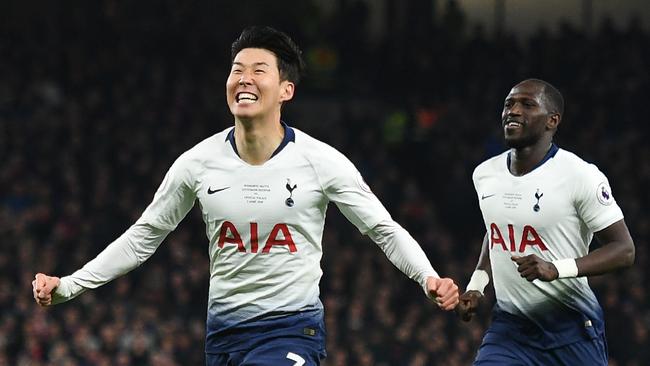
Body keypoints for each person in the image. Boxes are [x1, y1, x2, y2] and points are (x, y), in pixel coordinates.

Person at [32, 26, 459, 365]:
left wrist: (427, 276)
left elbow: (383, 229)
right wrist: (69, 286)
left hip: (292, 330)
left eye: (259, 70)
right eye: (237, 69)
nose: (244, 79)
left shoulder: (321, 161)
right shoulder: (197, 163)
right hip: (223, 335)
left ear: (286, 89)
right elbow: (144, 236)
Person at [456, 78, 635, 365]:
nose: (513, 111)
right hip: (510, 330)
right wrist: (477, 284)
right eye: (509, 104)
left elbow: (624, 250)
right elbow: (496, 231)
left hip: (572, 329)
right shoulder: (484, 174)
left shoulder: (580, 175)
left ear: (552, 120)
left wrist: (556, 268)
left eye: (527, 104)